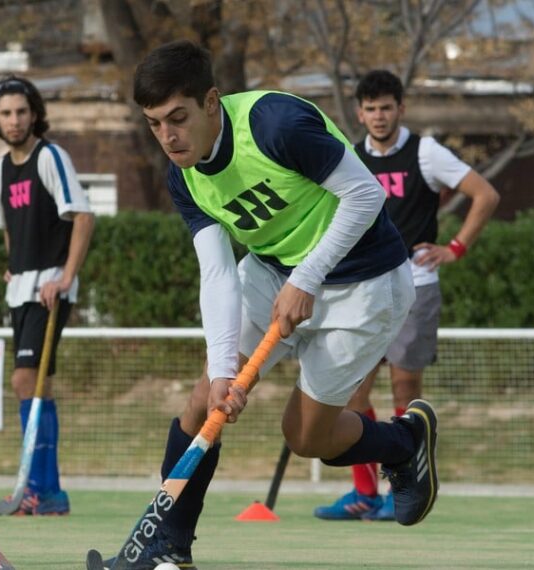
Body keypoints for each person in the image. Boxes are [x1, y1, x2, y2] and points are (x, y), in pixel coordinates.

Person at [107, 39, 439, 569]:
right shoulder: (183, 176)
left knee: (306, 438)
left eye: (178, 118)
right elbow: (217, 273)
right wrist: (223, 371)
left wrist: (308, 276)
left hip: (366, 283)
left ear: (211, 102)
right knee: (204, 399)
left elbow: (366, 195)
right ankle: (168, 546)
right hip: (271, 272)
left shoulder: (275, 125)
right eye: (154, 124)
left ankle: (403, 442)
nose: (168, 136)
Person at [314, 69, 499, 521]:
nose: (379, 116)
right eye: (371, 108)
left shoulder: (426, 152)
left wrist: (455, 248)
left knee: (405, 385)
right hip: (363, 289)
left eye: (386, 107)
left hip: (416, 286)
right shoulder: (349, 157)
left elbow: (485, 195)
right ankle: (364, 493)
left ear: (401, 108)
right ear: (360, 113)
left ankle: (405, 487)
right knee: (352, 389)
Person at [0, 76, 95, 517]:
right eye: (6, 113)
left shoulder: (50, 157)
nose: (14, 120)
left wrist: (65, 277)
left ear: (34, 115)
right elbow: (9, 225)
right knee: (36, 384)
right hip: (22, 288)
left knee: (24, 380)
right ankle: (49, 494)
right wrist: (15, 263)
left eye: (21, 112)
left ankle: (39, 489)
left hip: (49, 288)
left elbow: (83, 217)